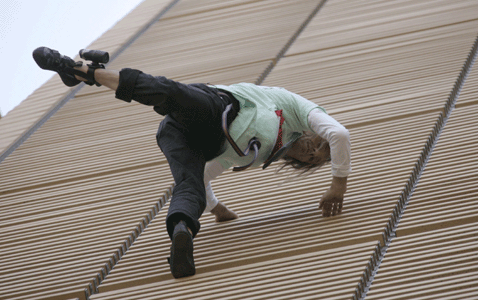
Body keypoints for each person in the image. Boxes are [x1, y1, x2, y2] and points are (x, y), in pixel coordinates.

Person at [33, 47, 351, 278]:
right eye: (318, 144)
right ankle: (81, 70)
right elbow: (339, 133)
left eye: (314, 158)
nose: (313, 149)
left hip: (181, 137)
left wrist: (216, 208)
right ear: (312, 131)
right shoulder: (296, 108)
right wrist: (338, 185)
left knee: (190, 185)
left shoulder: (256, 157)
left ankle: (182, 230)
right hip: (217, 106)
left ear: (299, 164)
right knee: (167, 92)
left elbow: (206, 175)